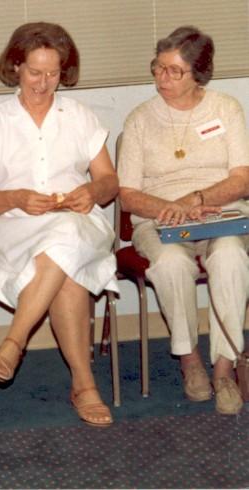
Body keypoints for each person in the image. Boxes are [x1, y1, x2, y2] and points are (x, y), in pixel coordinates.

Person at [0, 22, 119, 427]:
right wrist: (15, 197)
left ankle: (13, 344)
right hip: (17, 228)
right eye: (35, 72)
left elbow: (109, 182)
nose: (44, 82)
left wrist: (92, 190)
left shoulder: (80, 116)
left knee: (65, 235)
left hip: (79, 222)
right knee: (67, 269)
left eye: (53, 73)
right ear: (16, 66)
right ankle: (84, 385)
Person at [118, 26, 249, 415]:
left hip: (221, 212)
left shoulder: (225, 109)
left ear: (199, 73)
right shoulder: (140, 120)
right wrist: (172, 208)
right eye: (158, 68)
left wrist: (198, 200)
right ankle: (189, 360)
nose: (162, 78)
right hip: (158, 218)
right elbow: (127, 194)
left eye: (174, 71)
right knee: (171, 263)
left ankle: (224, 368)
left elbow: (242, 179)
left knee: (230, 257)